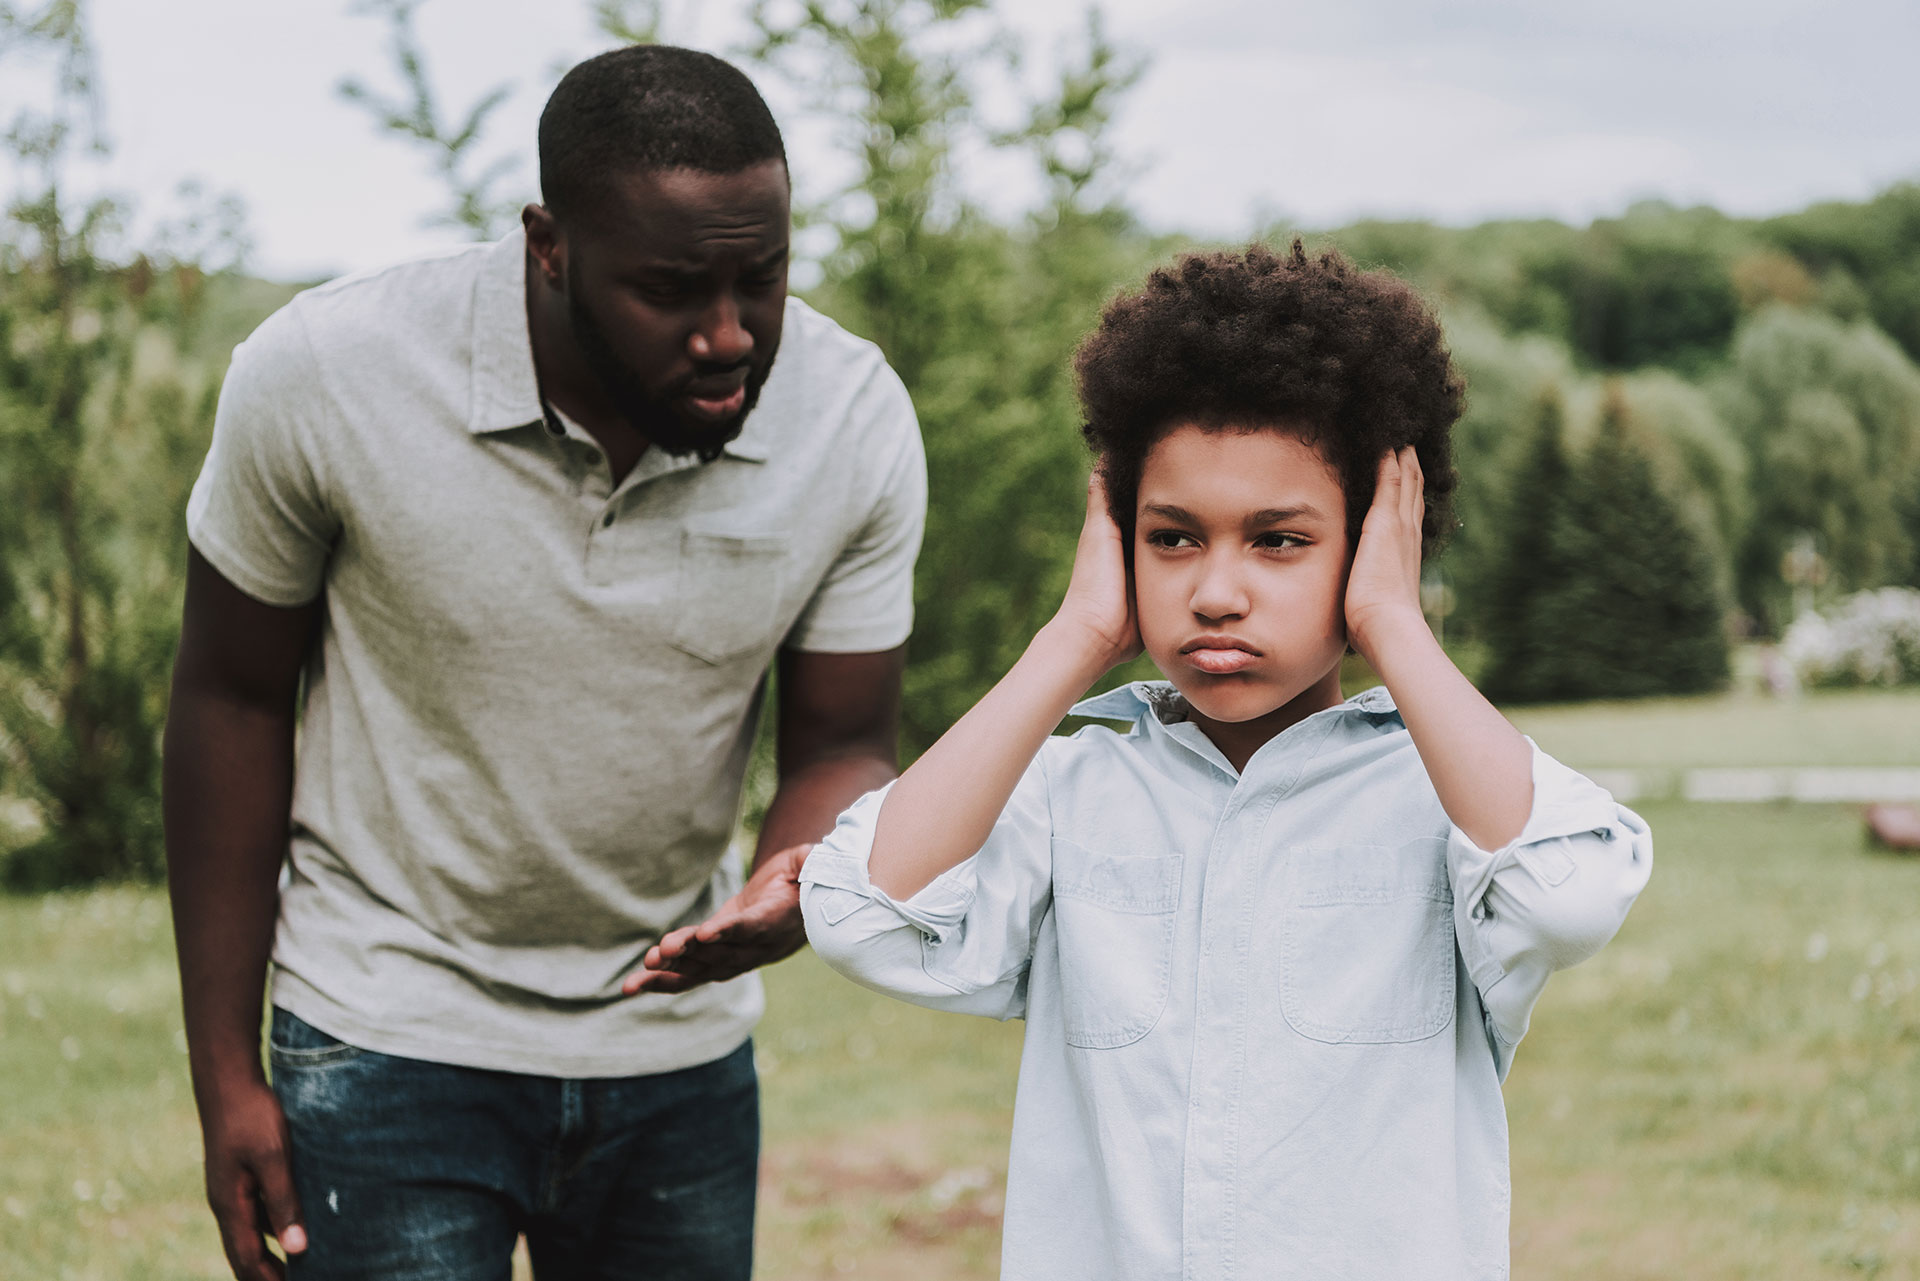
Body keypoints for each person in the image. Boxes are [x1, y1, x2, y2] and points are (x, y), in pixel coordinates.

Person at [163, 45, 924, 1281]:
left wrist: (796, 877)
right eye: (673, 290)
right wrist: (226, 1077)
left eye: (763, 280)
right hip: (381, 1032)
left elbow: (841, 742)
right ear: (549, 245)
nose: (728, 336)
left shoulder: (852, 419)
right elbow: (230, 699)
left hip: (676, 1057)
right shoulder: (326, 377)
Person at [799, 243, 1652, 1280]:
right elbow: (857, 915)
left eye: (1279, 541)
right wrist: (1073, 636)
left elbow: (1565, 898)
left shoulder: (1450, 806)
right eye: (1173, 538)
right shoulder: (1077, 794)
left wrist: (1393, 617)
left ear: (1377, 540)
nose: (1215, 593)